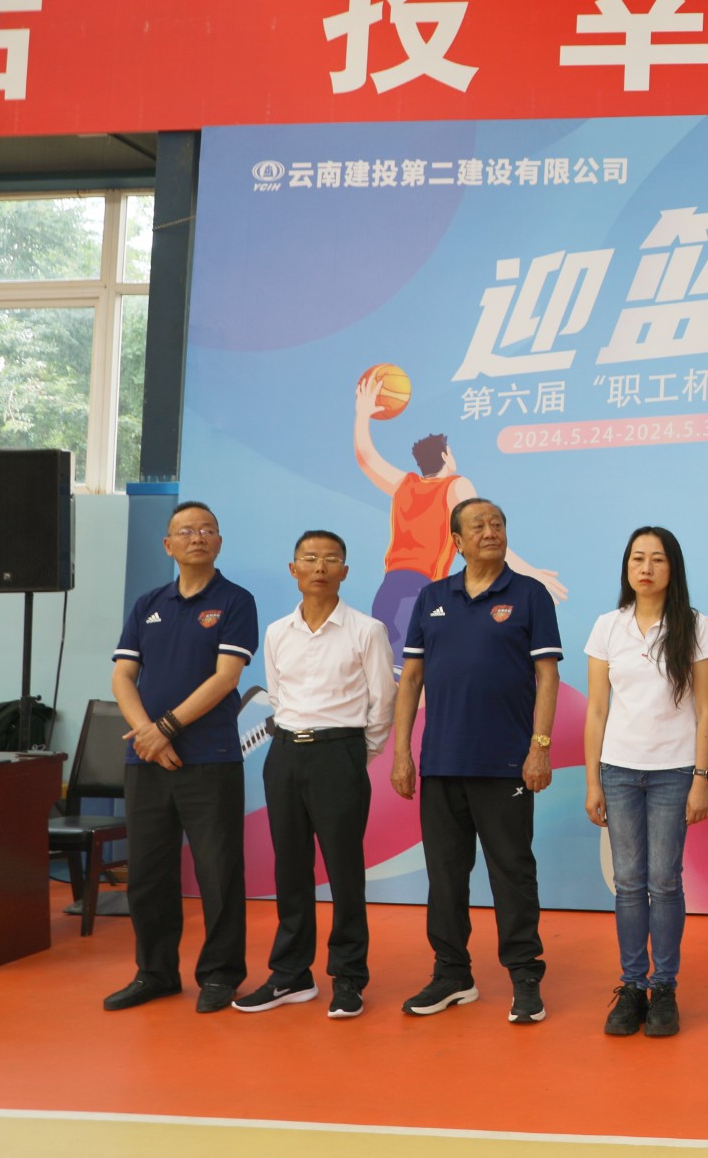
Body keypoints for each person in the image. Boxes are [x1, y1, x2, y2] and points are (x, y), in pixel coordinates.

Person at [390, 497, 562, 1025]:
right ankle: (452, 974)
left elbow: (547, 676)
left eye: (498, 524)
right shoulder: (432, 597)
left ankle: (525, 978)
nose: (491, 532)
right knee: (445, 875)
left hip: (506, 763)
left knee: (512, 872)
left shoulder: (529, 594)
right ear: (457, 541)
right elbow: (411, 679)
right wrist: (402, 752)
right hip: (441, 762)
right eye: (478, 526)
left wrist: (539, 746)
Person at [103, 501, 258, 1014]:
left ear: (219, 542)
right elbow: (123, 676)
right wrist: (147, 734)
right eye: (186, 531)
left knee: (218, 872)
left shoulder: (235, 601)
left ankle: (221, 974)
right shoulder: (148, 603)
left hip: (210, 758)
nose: (198, 537)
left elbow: (226, 677)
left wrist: (165, 729)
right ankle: (155, 972)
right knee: (148, 872)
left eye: (207, 530)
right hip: (147, 760)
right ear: (168, 545)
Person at [235, 530, 395, 1019]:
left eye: (330, 559)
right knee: (290, 868)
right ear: (294, 569)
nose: (319, 567)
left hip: (338, 754)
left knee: (345, 872)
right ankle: (291, 976)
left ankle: (349, 978)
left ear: (345, 571)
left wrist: (354, 755)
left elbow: (382, 702)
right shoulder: (277, 632)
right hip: (284, 754)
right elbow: (277, 694)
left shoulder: (367, 630)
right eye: (309, 558)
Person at [585, 526, 708, 1038]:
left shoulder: (695, 625)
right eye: (637, 558)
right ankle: (631, 987)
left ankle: (664, 987)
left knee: (664, 881)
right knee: (628, 883)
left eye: (657, 559)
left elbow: (706, 710)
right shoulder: (608, 626)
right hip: (618, 771)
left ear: (672, 568)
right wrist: (593, 781)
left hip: (674, 772)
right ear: (627, 567)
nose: (646, 568)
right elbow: (597, 711)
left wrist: (701, 779)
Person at [354, 373, 567, 661]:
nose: (488, 529)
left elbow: (366, 457)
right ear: (445, 456)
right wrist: (529, 571)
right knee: (415, 674)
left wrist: (362, 415)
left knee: (393, 671)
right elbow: (486, 537)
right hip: (420, 589)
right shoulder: (455, 485)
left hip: (389, 589)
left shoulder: (405, 485)